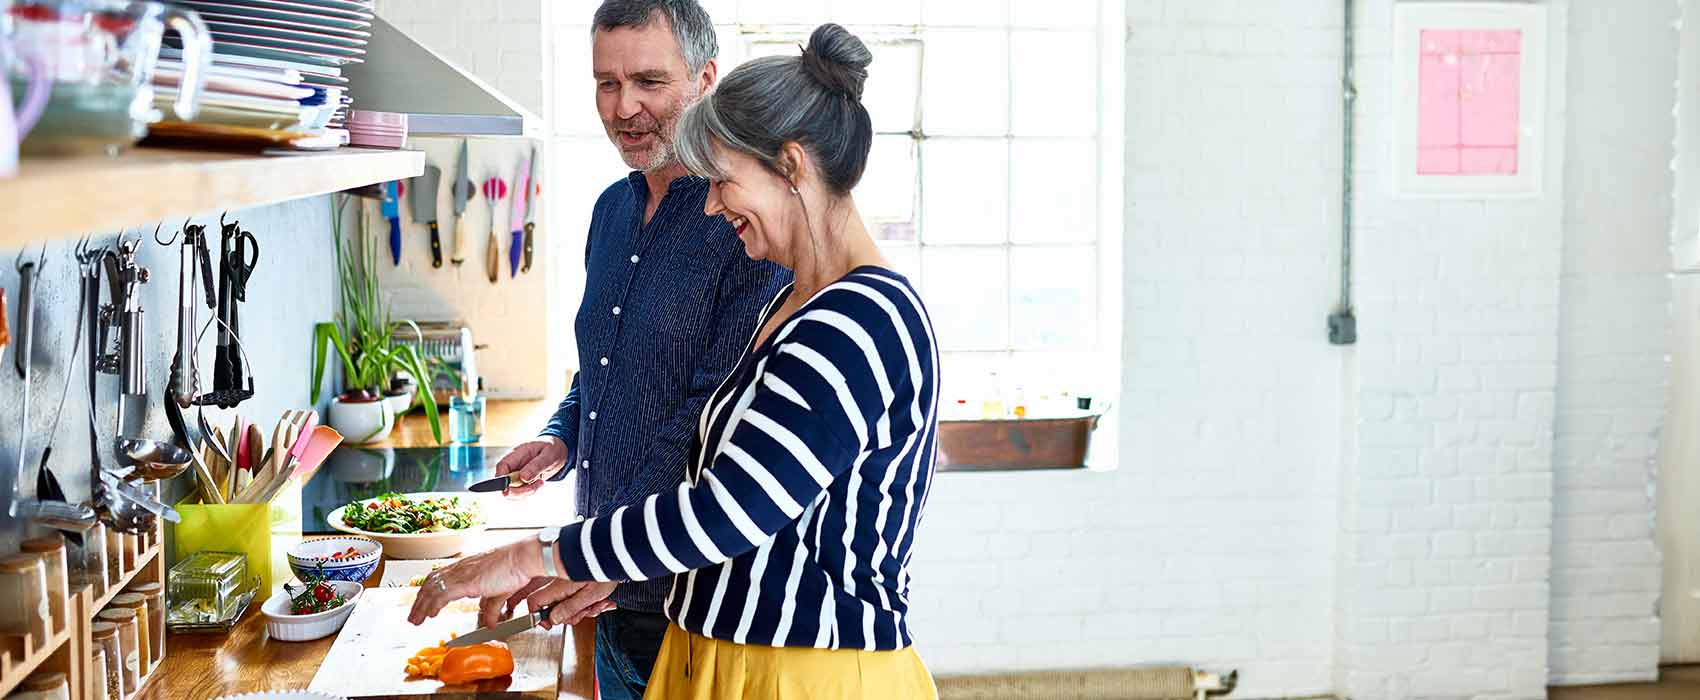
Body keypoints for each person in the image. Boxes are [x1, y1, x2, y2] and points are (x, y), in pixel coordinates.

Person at [410, 23, 941, 699]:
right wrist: (601, 561)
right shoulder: (797, 304)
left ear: (792, 166)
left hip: (801, 674)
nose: (713, 204)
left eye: (725, 181)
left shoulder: (862, 321)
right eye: (607, 82)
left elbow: (729, 508)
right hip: (721, 656)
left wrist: (533, 554)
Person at [484, 1, 788, 698]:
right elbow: (603, 363)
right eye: (606, 83)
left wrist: (596, 553)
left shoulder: (745, 228)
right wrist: (562, 436)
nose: (624, 108)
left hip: (691, 610)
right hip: (604, 595)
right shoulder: (609, 212)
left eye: (649, 82)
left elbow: (705, 415)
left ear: (706, 78)